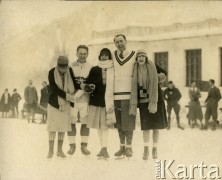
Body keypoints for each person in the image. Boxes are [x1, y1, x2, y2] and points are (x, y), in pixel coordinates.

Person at [130, 50, 168, 160]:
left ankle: (155, 149)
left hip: (155, 100)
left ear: (146, 58)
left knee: (156, 127)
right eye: (139, 56)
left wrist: (155, 78)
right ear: (136, 58)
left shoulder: (152, 65)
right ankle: (146, 149)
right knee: (146, 127)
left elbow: (165, 74)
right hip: (143, 101)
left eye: (143, 56)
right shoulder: (134, 68)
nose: (141, 58)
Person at [86, 48, 115, 159]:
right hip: (96, 102)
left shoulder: (113, 69)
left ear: (109, 57)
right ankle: (102, 148)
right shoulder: (94, 69)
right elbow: (89, 83)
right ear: (99, 56)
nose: (104, 57)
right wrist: (90, 87)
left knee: (105, 127)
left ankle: (105, 149)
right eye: (102, 55)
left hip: (107, 102)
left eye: (106, 55)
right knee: (99, 127)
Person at [47, 55, 76, 159]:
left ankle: (59, 150)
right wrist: (68, 96)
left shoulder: (70, 71)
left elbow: (74, 84)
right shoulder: (51, 72)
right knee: (52, 127)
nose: (63, 70)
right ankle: (50, 151)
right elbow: (54, 88)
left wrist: (76, 94)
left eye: (65, 67)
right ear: (57, 66)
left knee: (62, 127)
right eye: (61, 67)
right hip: (54, 103)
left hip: (66, 104)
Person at [112, 34, 137, 158]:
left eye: (121, 41)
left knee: (129, 122)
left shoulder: (134, 54)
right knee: (119, 123)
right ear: (115, 43)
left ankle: (129, 148)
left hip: (129, 94)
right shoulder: (113, 55)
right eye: (117, 42)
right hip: (116, 94)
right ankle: (122, 147)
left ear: (126, 41)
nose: (119, 43)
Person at [67, 45, 92, 156]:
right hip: (73, 99)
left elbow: (91, 84)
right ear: (76, 53)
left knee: (85, 123)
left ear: (87, 54)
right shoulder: (70, 67)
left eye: (84, 53)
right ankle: (72, 146)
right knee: (71, 122)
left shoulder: (91, 67)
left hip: (85, 99)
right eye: (80, 53)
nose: (82, 55)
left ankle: (84, 146)